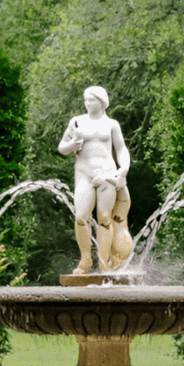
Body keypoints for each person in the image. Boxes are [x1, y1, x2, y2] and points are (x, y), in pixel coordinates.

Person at [58, 85, 134, 274]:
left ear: (101, 101)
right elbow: (62, 148)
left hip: (106, 173)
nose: (87, 103)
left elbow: (121, 148)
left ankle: (103, 261)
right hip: (84, 173)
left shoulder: (112, 124)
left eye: (91, 99)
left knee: (105, 217)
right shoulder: (76, 122)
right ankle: (85, 261)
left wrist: (123, 169)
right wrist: (72, 145)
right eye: (85, 99)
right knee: (80, 217)